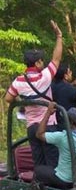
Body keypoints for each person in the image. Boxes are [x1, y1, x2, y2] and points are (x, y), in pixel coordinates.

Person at [4, 20, 63, 167]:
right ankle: (52, 188)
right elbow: (56, 59)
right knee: (52, 161)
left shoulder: (18, 81)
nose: (43, 63)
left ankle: (39, 187)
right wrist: (59, 36)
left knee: (38, 161)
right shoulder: (44, 76)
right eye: (41, 61)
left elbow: (8, 98)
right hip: (48, 126)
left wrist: (25, 100)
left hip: (32, 127)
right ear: (37, 63)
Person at [51, 64, 76, 129]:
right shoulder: (67, 88)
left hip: (56, 123)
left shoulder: (52, 86)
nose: (71, 73)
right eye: (69, 72)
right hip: (69, 125)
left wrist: (72, 84)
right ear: (65, 76)